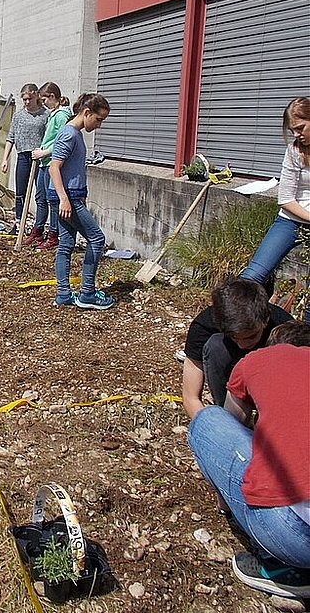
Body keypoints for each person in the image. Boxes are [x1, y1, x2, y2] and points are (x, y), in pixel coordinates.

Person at [187, 320, 310, 600]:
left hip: (296, 539)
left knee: (210, 419)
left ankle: (281, 568)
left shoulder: (258, 359)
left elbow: (231, 422)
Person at [181, 276, 292, 419]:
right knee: (216, 346)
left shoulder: (284, 327)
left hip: (271, 386)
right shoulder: (204, 325)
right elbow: (191, 397)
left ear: (265, 320)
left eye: (250, 337)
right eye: (234, 337)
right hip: (230, 384)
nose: (243, 344)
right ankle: (228, 416)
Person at [241, 97, 310, 322]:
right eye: (293, 131)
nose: (297, 135)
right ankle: (223, 328)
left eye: (301, 128)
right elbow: (286, 199)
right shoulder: (294, 151)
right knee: (252, 277)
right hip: (290, 220)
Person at [49, 93, 114, 310]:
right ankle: (87, 293)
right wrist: (64, 199)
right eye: (98, 119)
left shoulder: (73, 132)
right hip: (68, 198)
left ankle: (64, 294)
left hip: (69, 196)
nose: (99, 125)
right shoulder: (70, 134)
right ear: (87, 113)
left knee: (66, 245)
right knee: (96, 239)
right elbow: (53, 167)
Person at [1, 84, 48, 235]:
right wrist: (5, 159)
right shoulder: (18, 116)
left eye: (30, 99)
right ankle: (19, 223)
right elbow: (11, 137)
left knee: (41, 194)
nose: (27, 102)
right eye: (24, 99)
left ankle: (38, 227)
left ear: (36, 97)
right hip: (23, 156)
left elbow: (49, 137)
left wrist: (43, 153)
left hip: (39, 158)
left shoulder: (45, 115)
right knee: (20, 192)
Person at [29, 86, 71, 249]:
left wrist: (45, 152)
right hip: (43, 162)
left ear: (53, 96)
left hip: (52, 162)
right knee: (40, 198)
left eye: (44, 99)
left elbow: (63, 141)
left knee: (52, 200)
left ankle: (53, 234)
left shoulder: (62, 116)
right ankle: (38, 230)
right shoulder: (53, 115)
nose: (43, 103)